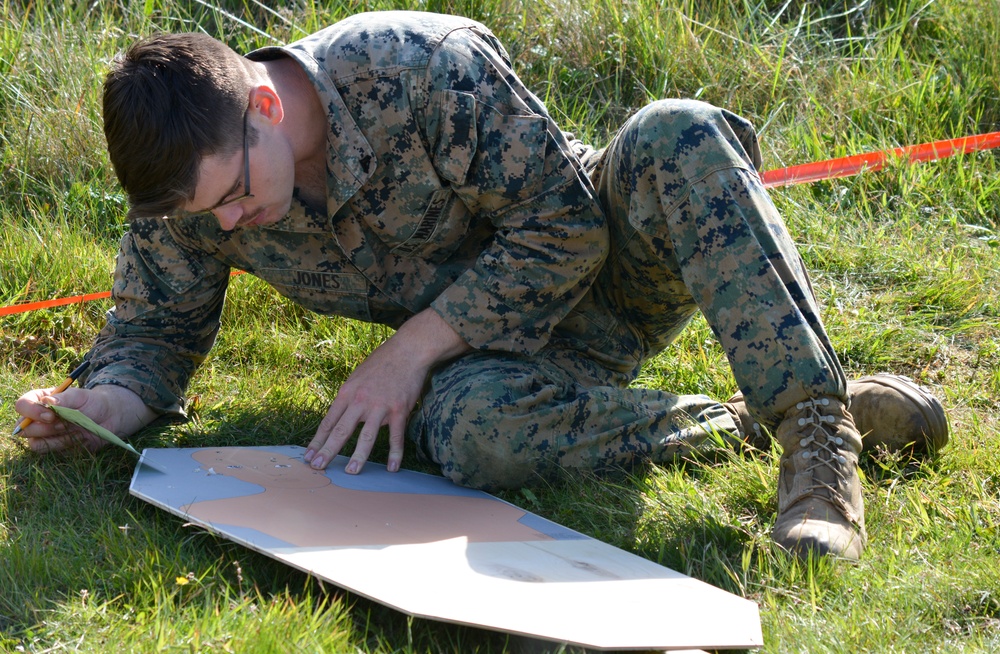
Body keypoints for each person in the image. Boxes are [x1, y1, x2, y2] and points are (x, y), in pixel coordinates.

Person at [13, 10, 949, 560]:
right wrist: (104, 403)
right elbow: (155, 331)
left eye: (234, 197)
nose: (227, 225)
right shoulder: (197, 191)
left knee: (677, 129)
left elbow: (569, 224)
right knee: (462, 434)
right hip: (494, 365)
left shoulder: (418, 66)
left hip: (605, 270)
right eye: (206, 215)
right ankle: (744, 424)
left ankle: (819, 447)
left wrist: (410, 348)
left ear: (262, 105)